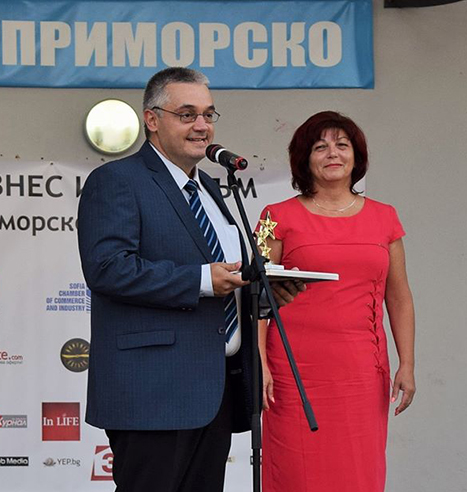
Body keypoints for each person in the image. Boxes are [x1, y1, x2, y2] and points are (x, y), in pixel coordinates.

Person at [77, 67, 301, 492]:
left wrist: (265, 294)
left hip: (213, 390)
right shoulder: (117, 180)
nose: (202, 125)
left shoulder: (211, 188)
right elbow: (107, 268)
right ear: (152, 119)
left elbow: (226, 277)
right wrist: (200, 280)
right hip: (153, 391)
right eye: (187, 114)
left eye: (208, 114)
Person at [257, 111, 416, 492]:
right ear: (304, 159)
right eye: (320, 146)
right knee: (297, 472)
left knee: (358, 472)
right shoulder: (276, 217)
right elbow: (257, 298)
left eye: (342, 145)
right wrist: (258, 361)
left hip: (362, 371)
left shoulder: (385, 217)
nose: (333, 153)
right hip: (294, 371)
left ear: (356, 156)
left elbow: (399, 297)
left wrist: (407, 363)